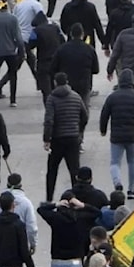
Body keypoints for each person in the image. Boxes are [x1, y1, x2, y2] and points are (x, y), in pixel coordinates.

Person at [99, 68, 134, 198]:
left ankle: (117, 183)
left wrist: (103, 129)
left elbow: (104, 115)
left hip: (117, 135)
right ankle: (132, 190)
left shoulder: (112, 97)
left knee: (115, 162)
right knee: (132, 162)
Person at [43, 73, 87, 202]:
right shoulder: (76, 96)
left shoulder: (52, 98)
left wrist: (47, 139)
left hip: (57, 139)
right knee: (74, 171)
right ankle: (77, 198)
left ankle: (49, 198)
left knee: (52, 170)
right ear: (67, 82)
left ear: (55, 82)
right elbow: (84, 116)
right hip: (73, 138)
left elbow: (49, 120)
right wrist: (79, 131)